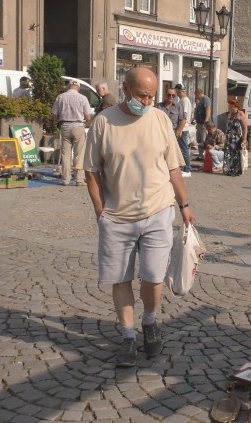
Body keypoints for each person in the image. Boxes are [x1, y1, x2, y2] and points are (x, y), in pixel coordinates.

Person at [83, 67, 195, 367]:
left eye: (152, 96)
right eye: (141, 95)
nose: (146, 102)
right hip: (117, 217)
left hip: (158, 211)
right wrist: (100, 212)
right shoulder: (103, 122)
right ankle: (128, 336)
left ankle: (150, 320)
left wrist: (184, 204)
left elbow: (173, 167)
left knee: (154, 277)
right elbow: (91, 172)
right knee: (120, 279)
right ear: (125, 89)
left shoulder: (159, 119)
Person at [53, 81, 94, 186]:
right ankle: (79, 179)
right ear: (78, 88)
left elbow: (54, 115)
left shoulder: (60, 97)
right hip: (78, 126)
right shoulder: (83, 98)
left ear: (68, 86)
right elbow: (88, 117)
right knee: (79, 154)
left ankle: (65, 180)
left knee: (65, 154)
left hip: (65, 126)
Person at [156, 87, 192, 177]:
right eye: (169, 95)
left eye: (173, 95)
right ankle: (160, 170)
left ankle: (176, 171)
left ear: (175, 96)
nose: (171, 97)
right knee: (159, 152)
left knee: (173, 154)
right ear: (165, 95)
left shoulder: (178, 107)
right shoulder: (158, 106)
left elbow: (183, 119)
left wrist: (177, 132)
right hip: (160, 133)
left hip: (172, 133)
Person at [224, 98, 248, 176]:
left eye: (230, 105)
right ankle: (228, 169)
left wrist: (244, 139)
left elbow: (245, 128)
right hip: (229, 138)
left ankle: (236, 171)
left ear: (234, 105)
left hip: (236, 138)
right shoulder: (229, 114)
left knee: (236, 155)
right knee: (228, 154)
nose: (228, 106)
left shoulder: (240, 114)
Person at [176, 84, 197, 156]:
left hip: (183, 128)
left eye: (177, 91)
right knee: (182, 148)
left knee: (183, 148)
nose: (177, 93)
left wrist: (179, 130)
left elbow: (184, 116)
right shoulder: (182, 100)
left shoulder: (184, 101)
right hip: (182, 127)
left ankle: (187, 166)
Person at [194, 89, 212, 160]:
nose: (196, 97)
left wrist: (206, 121)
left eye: (196, 95)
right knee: (199, 139)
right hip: (199, 123)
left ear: (198, 94)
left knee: (204, 139)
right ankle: (200, 155)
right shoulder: (200, 101)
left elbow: (208, 109)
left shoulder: (205, 99)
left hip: (203, 124)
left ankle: (206, 156)